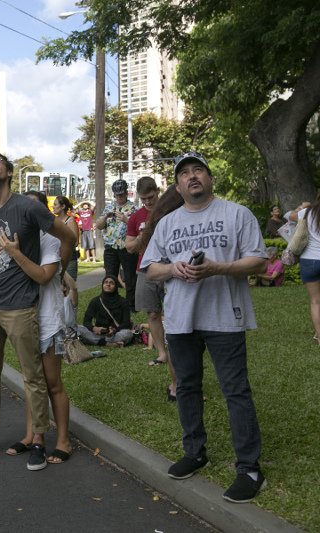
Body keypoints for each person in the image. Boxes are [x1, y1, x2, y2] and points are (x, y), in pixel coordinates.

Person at [141, 151, 268, 504]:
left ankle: (249, 468)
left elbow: (258, 261)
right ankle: (195, 452)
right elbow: (150, 268)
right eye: (184, 173)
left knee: (235, 390)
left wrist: (215, 268)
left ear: (210, 178)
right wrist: (174, 268)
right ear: (178, 185)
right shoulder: (167, 223)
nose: (192, 176)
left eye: (199, 170)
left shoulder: (236, 213)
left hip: (224, 316)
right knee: (186, 387)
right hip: (180, 319)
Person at [0, 152, 75, 472]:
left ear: (10, 172)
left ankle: (38, 439)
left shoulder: (28, 207)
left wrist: (61, 269)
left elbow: (68, 236)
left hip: (21, 306)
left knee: (33, 376)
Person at [2, 191, 72, 465]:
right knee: (31, 381)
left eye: (34, 207)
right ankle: (31, 435)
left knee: (52, 383)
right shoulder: (16, 236)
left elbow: (44, 276)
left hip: (48, 319)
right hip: (23, 318)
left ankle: (63, 440)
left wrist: (15, 253)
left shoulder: (50, 238)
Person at [126, 177, 176, 398]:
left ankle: (175, 350)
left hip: (169, 267)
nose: (147, 201)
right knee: (152, 313)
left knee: (172, 312)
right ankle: (162, 352)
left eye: (151, 197)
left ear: (158, 191)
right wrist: (141, 237)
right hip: (145, 269)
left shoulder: (170, 210)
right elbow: (129, 246)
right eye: (143, 198)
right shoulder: (136, 217)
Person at [138, 184, 185, 401]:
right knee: (178, 337)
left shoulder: (162, 218)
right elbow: (150, 265)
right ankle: (177, 385)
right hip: (174, 286)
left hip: (181, 286)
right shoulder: (167, 221)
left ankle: (179, 385)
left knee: (181, 338)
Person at [96, 179, 138, 310]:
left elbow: (138, 228)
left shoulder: (133, 208)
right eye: (117, 195)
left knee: (130, 276)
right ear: (114, 194)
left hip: (126, 247)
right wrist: (104, 217)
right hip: (110, 247)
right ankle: (110, 303)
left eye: (122, 194)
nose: (119, 197)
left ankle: (131, 305)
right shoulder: (109, 207)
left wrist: (126, 220)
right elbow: (99, 226)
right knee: (110, 276)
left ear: (126, 193)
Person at [77, 275, 134, 347]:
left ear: (116, 286)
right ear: (102, 285)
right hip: (98, 333)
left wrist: (114, 330)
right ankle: (107, 343)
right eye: (106, 282)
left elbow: (126, 323)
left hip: (115, 334)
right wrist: (94, 328)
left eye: (111, 283)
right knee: (77, 328)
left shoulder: (123, 302)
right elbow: (86, 321)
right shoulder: (95, 301)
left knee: (127, 333)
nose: (108, 284)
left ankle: (98, 341)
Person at [294, 195, 320, 344]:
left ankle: (319, 335)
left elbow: (290, 216)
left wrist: (303, 207)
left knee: (315, 301)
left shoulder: (306, 212)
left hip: (309, 260)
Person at [53, 195, 79, 307]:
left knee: (70, 289)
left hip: (69, 260)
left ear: (63, 206)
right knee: (58, 289)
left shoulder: (70, 220)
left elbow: (75, 241)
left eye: (55, 204)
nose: (53, 207)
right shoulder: (54, 221)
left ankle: (70, 313)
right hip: (56, 258)